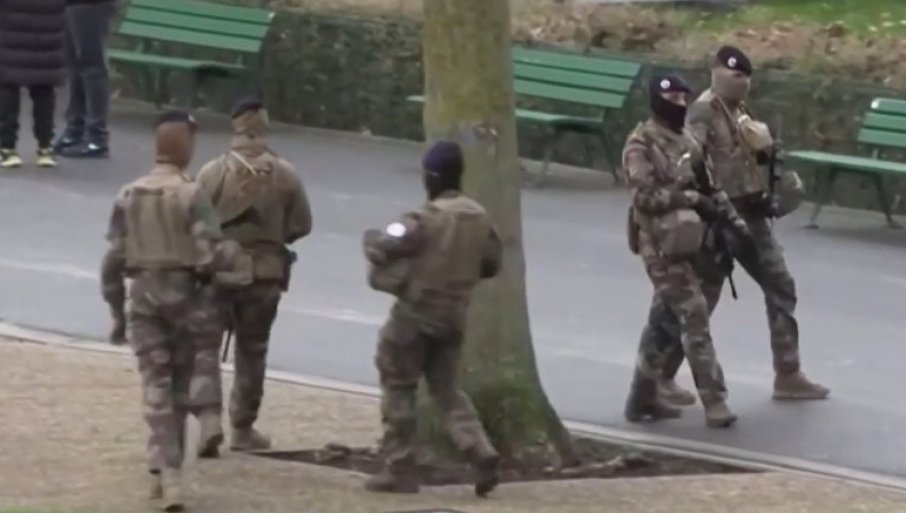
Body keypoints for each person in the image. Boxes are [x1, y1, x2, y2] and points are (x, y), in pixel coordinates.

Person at [656, 45, 830, 405]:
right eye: (735, 75)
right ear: (717, 73)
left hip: (751, 214)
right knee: (701, 301)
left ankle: (788, 372)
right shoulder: (703, 111)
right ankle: (662, 377)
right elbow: (688, 160)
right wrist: (702, 204)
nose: (743, 83)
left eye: (746, 77)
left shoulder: (741, 112)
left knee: (780, 284)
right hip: (719, 219)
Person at [99, 110, 247, 511]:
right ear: (186, 146)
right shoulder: (191, 194)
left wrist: (117, 313)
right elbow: (210, 253)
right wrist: (233, 258)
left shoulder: (129, 194)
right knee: (179, 389)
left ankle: (163, 470)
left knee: (155, 386)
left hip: (143, 300)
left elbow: (112, 261)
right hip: (186, 301)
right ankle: (170, 473)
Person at [361, 140, 502, 495]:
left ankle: (400, 468)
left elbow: (386, 245)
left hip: (414, 314)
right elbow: (492, 263)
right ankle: (479, 449)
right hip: (454, 317)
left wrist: (373, 241)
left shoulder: (425, 218)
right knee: (447, 390)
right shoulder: (480, 218)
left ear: (431, 177)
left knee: (398, 386)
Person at [622, 73, 743, 428]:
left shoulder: (689, 139)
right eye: (671, 98)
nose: (678, 104)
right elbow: (644, 198)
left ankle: (641, 399)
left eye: (682, 98)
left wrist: (733, 223)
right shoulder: (640, 144)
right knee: (694, 315)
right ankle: (715, 401)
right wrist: (688, 198)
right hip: (660, 244)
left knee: (663, 323)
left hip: (692, 240)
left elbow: (711, 187)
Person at [194, 95, 313, 454]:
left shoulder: (212, 172)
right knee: (253, 350)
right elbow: (301, 225)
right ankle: (243, 428)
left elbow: (193, 221)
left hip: (218, 271)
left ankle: (208, 421)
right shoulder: (286, 174)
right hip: (265, 275)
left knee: (205, 348)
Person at [0, 0, 66, 169]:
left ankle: (7, 148)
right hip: (48, 38)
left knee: (8, 88)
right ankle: (45, 147)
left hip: (10, 35)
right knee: (44, 90)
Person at [54, 0, 116, 158]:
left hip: (91, 4)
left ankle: (97, 136)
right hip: (70, 5)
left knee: (92, 66)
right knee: (74, 66)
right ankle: (75, 129)